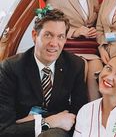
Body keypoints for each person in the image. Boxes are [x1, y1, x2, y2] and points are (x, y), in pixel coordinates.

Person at [0, 8, 87, 137]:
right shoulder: (10, 68)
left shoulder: (75, 65)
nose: (54, 43)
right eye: (48, 35)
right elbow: (4, 129)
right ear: (35, 35)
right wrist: (49, 122)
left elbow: (78, 115)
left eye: (60, 37)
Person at [47, 0, 103, 101]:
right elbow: (49, 23)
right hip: (70, 46)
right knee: (81, 67)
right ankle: (75, 112)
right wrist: (75, 31)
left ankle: (92, 113)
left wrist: (94, 31)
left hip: (89, 48)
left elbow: (95, 23)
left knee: (97, 72)